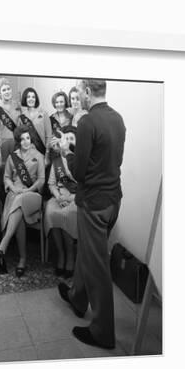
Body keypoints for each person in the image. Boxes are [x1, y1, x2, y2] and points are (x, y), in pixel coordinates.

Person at [57, 79, 125, 350]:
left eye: (79, 92)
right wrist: (77, 152)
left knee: (97, 266)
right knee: (89, 253)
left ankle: (103, 332)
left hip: (93, 204)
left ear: (87, 91)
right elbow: (106, 159)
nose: (78, 97)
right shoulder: (117, 118)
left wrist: (65, 153)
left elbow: (80, 172)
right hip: (113, 200)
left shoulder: (86, 122)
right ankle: (77, 297)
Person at [0, 125, 45, 277]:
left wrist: (29, 190)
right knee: (19, 215)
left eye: (28, 138)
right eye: (22, 139)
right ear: (18, 141)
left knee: (21, 200)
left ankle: (3, 245)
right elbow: (7, 177)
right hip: (15, 193)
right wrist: (12, 188)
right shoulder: (12, 157)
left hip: (32, 195)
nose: (25, 142)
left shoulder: (39, 156)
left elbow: (41, 180)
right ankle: (22, 260)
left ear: (31, 139)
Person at [44, 126, 78, 278]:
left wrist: (69, 199)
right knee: (51, 213)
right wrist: (58, 196)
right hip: (59, 196)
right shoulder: (57, 160)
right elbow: (51, 183)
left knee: (68, 214)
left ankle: (70, 256)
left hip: (75, 198)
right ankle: (61, 254)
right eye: (67, 138)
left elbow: (84, 186)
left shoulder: (80, 160)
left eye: (72, 138)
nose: (69, 142)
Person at [0, 78, 22, 165]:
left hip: (17, 143)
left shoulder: (17, 105)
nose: (7, 92)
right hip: (2, 145)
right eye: (4, 90)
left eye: (8, 89)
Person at [18, 87, 53, 156]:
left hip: (42, 151)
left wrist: (47, 153)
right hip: (27, 153)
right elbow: (19, 137)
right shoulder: (22, 117)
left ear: (36, 99)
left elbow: (49, 135)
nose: (31, 99)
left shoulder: (43, 114)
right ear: (25, 99)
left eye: (33, 97)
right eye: (28, 97)